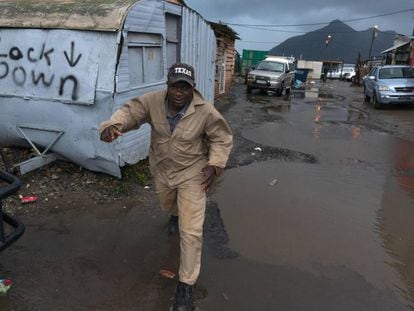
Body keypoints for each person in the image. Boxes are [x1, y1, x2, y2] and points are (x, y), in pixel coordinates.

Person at [99, 63, 233, 310]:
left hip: (193, 172)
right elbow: (131, 112)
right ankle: (174, 214)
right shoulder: (152, 102)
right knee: (168, 205)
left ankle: (186, 287)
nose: (180, 92)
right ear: (168, 85)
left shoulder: (205, 111)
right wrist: (113, 125)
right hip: (162, 170)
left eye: (185, 87)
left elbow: (222, 138)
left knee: (191, 231)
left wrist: (215, 164)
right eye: (175, 86)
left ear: (192, 88)